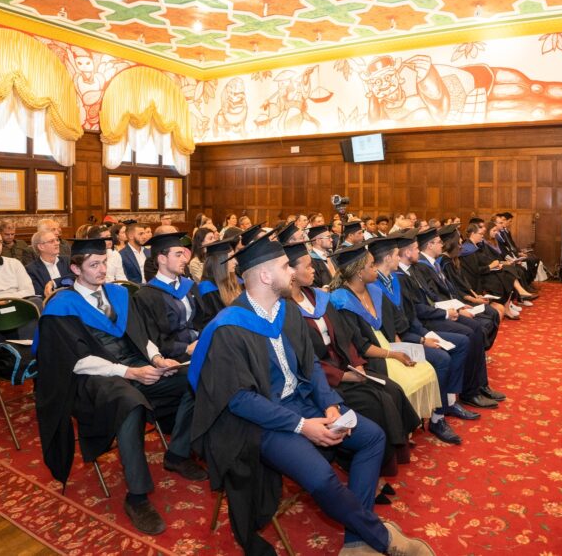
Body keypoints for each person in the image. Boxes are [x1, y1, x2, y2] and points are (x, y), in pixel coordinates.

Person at [188, 235, 434, 556]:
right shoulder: (229, 328)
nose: (292, 271)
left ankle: (356, 540)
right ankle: (382, 538)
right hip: (260, 423)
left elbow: (312, 366)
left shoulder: (287, 312)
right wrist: (303, 426)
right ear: (265, 276)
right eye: (285, 266)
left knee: (373, 437)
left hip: (301, 402)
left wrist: (330, 404)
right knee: (321, 477)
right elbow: (240, 400)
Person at [34, 238, 206, 536]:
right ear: (75, 269)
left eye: (104, 263)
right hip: (95, 378)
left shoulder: (119, 294)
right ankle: (137, 497)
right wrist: (129, 372)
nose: (102, 270)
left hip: (136, 365)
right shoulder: (61, 306)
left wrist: (157, 359)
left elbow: (140, 335)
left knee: (195, 378)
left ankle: (178, 454)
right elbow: (74, 361)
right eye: (94, 265)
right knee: (130, 403)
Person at [287, 241, 420, 482]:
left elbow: (344, 336)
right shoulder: (285, 310)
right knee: (376, 402)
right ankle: (370, 469)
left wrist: (356, 363)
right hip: (322, 378)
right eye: (307, 266)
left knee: (391, 389)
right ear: (291, 273)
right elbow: (302, 359)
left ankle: (386, 460)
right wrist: (343, 375)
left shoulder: (317, 297)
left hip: (344, 364)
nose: (314, 269)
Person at [330, 243, 446, 439]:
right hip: (370, 356)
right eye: (372, 265)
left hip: (389, 346)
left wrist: (402, 348)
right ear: (359, 272)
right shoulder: (342, 301)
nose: (376, 268)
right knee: (407, 382)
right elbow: (361, 346)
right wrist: (394, 354)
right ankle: (404, 429)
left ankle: (419, 422)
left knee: (426, 369)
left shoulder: (375, 291)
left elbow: (393, 326)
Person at [369, 235, 477, 442]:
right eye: (396, 255)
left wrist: (424, 335)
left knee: (461, 343)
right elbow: (389, 331)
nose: (398, 258)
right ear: (388, 258)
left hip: (411, 333)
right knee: (442, 358)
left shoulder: (396, 280)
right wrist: (420, 341)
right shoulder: (375, 288)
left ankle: (449, 402)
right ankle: (437, 419)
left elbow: (411, 316)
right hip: (393, 342)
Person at [396, 229, 502, 411]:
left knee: (475, 328)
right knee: (469, 333)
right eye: (415, 248)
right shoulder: (402, 275)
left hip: (434, 312)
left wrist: (454, 308)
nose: (418, 251)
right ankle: (469, 392)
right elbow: (419, 307)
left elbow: (432, 296)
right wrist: (446, 312)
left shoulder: (415, 268)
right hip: (425, 320)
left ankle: (479, 385)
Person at [132, 233, 199, 361]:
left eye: (183, 254)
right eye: (178, 255)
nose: (185, 260)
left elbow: (203, 319)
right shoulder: (145, 296)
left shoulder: (190, 286)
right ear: (162, 259)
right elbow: (152, 338)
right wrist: (186, 348)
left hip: (199, 346)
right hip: (172, 357)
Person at [458, 223, 522, 319]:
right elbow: (476, 270)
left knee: (507, 275)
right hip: (475, 279)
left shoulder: (475, 246)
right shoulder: (468, 250)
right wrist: (491, 266)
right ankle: (504, 307)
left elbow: (484, 261)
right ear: (472, 234)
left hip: (482, 273)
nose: (482, 236)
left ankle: (507, 306)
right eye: (480, 234)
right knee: (501, 279)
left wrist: (495, 264)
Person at [193, 235, 241, 332]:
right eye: (231, 258)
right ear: (219, 262)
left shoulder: (233, 281)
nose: (236, 262)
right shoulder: (207, 290)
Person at [26, 229, 73, 297]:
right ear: (41, 247)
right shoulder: (32, 269)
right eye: (51, 241)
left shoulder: (67, 260)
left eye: (57, 240)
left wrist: (53, 283)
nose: (57, 243)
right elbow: (39, 293)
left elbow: (74, 277)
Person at [308, 224, 337, 289]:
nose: (331, 240)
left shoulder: (331, 255)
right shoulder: (311, 261)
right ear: (318, 241)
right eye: (328, 237)